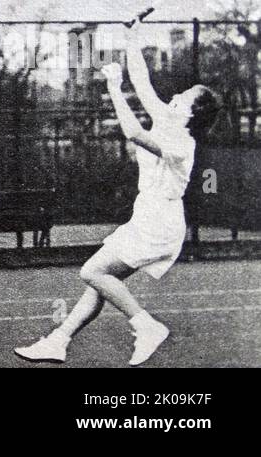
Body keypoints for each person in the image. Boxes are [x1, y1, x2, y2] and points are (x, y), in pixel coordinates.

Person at [15, 19, 221, 366]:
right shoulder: (169, 119)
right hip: (148, 215)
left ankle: (145, 325)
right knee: (98, 282)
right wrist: (132, 36)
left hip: (159, 221)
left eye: (184, 96)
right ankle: (58, 340)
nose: (175, 95)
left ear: (192, 111)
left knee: (93, 272)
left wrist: (113, 85)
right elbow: (141, 79)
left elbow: (133, 132)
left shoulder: (182, 143)